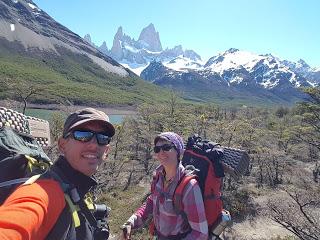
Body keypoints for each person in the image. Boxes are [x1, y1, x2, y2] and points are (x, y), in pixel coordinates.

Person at [0, 107, 115, 240]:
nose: (94, 145)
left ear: (106, 151)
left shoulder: (78, 187)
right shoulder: (45, 192)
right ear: (62, 145)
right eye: (83, 135)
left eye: (102, 138)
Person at [122, 132, 208, 240]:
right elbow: (152, 201)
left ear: (178, 151)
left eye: (166, 147)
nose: (161, 152)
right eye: (157, 149)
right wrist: (132, 221)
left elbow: (200, 233)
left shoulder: (189, 187)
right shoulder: (158, 176)